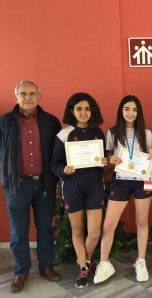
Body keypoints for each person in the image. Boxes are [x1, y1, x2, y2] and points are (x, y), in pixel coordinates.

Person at [0, 80, 62, 293]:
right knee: (18, 232)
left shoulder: (51, 121)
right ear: (16, 97)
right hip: (17, 186)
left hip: (44, 184)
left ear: (39, 96)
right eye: (23, 94)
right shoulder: (3, 122)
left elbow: (57, 152)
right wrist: (8, 170)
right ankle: (21, 271)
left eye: (32, 93)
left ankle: (46, 266)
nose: (28, 97)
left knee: (45, 229)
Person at [93, 95, 152, 284]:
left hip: (141, 181)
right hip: (120, 180)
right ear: (121, 111)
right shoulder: (112, 132)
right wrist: (111, 159)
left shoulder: (146, 133)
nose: (130, 113)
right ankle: (104, 264)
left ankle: (141, 261)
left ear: (139, 113)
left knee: (141, 221)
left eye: (134, 110)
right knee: (108, 225)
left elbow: (151, 153)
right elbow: (109, 156)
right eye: (127, 109)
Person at [51, 93, 107, 288]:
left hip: (94, 185)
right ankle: (84, 268)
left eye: (87, 109)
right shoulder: (64, 134)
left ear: (92, 111)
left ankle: (86, 260)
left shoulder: (98, 133)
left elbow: (102, 162)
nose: (83, 113)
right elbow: (54, 164)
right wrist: (62, 170)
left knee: (93, 233)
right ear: (72, 111)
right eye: (79, 109)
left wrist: (104, 162)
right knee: (77, 229)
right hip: (72, 184)